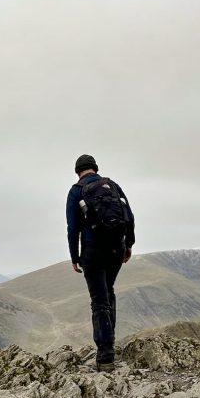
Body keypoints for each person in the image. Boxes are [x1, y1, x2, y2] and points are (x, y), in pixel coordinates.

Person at [66, 154, 135, 372]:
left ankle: (105, 356)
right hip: (116, 249)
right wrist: (128, 245)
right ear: (96, 168)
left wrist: (74, 257)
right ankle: (110, 345)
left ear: (78, 171)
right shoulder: (112, 186)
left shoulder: (76, 191)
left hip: (92, 251)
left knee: (99, 300)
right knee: (109, 291)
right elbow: (129, 216)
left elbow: (72, 228)